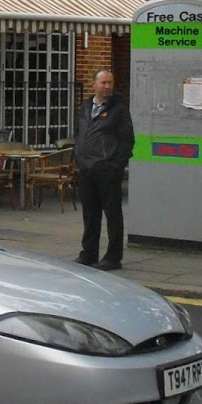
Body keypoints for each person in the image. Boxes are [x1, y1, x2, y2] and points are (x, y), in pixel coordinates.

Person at [74, 67, 135, 270]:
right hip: (86, 168)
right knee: (90, 214)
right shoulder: (85, 107)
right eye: (103, 83)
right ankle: (89, 253)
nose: (108, 86)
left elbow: (127, 140)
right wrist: (79, 157)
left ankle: (113, 257)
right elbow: (81, 133)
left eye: (110, 83)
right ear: (94, 84)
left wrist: (116, 164)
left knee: (112, 214)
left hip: (107, 169)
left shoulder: (119, 109)